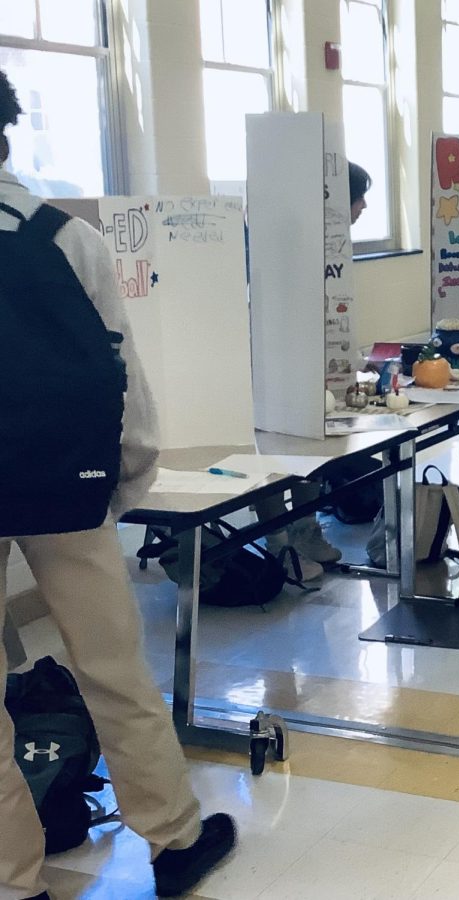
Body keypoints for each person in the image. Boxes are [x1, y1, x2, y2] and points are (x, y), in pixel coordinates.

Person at [0, 68, 235, 900]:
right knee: (112, 667)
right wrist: (125, 485)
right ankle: (173, 839)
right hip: (69, 491)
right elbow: (121, 381)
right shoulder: (63, 236)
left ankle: (14, 882)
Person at [252, 163, 374, 581]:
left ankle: (305, 529)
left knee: (313, 440)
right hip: (272, 351)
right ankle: (278, 540)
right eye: (358, 197)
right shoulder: (283, 237)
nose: (363, 207)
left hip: (312, 351)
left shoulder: (334, 244)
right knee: (275, 446)